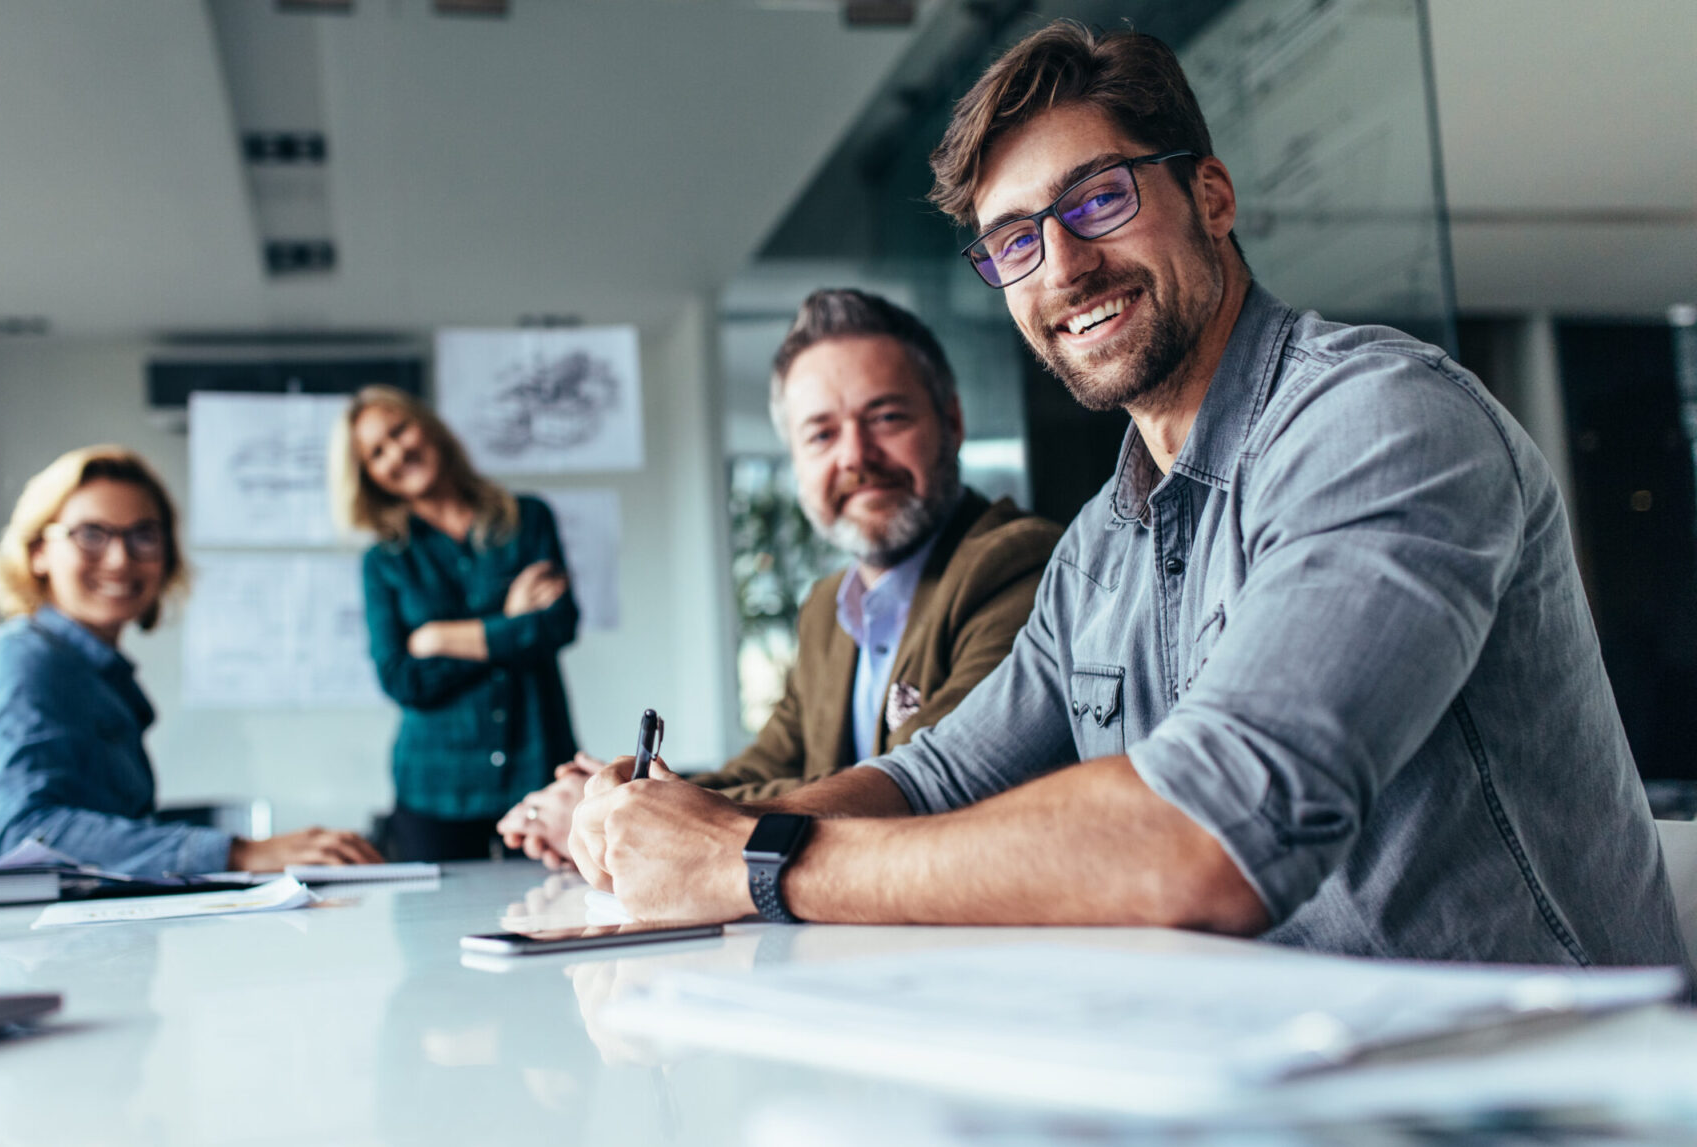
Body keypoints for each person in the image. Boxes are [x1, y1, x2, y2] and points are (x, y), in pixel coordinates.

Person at [567, 21, 1687, 968]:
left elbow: (1209, 836)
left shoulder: (1380, 422)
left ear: (1210, 193)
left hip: (1542, 1087)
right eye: (1013, 241)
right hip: (1276, 1070)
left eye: (1097, 200)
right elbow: (937, 774)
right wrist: (694, 827)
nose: (1061, 267)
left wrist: (754, 862)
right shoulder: (1103, 543)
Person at [497, 289, 1063, 868]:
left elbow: (921, 784)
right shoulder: (827, 608)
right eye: (821, 434)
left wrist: (635, 816)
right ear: (796, 459)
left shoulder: (1015, 565)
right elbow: (769, 766)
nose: (855, 456)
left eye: (887, 417)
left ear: (952, 421)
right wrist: (626, 800)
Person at [0, 445, 381, 877]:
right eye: (90, 535)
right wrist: (238, 853)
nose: (120, 559)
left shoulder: (95, 673)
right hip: (16, 946)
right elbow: (25, 835)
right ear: (38, 550)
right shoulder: (26, 662)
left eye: (144, 536)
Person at [333, 385, 579, 861]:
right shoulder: (384, 561)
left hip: (538, 767)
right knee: (433, 933)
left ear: (426, 425)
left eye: (399, 430)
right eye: (376, 452)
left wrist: (440, 637)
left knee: (557, 917)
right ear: (368, 476)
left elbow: (557, 626)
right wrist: (509, 621)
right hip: (435, 788)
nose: (397, 452)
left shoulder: (528, 519)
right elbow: (402, 678)